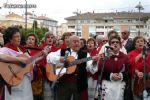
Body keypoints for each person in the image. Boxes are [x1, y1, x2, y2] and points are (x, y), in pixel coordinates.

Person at [46, 35, 97, 100]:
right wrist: (60, 59)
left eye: (78, 42)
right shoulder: (62, 51)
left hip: (80, 84)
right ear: (69, 44)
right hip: (64, 83)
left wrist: (94, 62)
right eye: (74, 41)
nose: (77, 43)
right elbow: (49, 57)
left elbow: (91, 69)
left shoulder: (86, 55)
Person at [0, 26, 33, 100]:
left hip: (25, 82)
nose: (19, 38)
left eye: (19, 36)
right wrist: (19, 59)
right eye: (16, 36)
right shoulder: (6, 49)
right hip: (14, 82)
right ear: (10, 39)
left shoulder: (21, 49)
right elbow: (1, 56)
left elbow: (29, 63)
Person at [98, 35, 132, 100]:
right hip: (107, 84)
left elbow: (129, 71)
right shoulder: (105, 56)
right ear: (110, 45)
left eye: (117, 42)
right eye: (113, 42)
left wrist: (122, 75)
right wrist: (110, 75)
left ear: (120, 45)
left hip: (120, 85)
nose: (115, 43)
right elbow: (100, 70)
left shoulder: (125, 57)